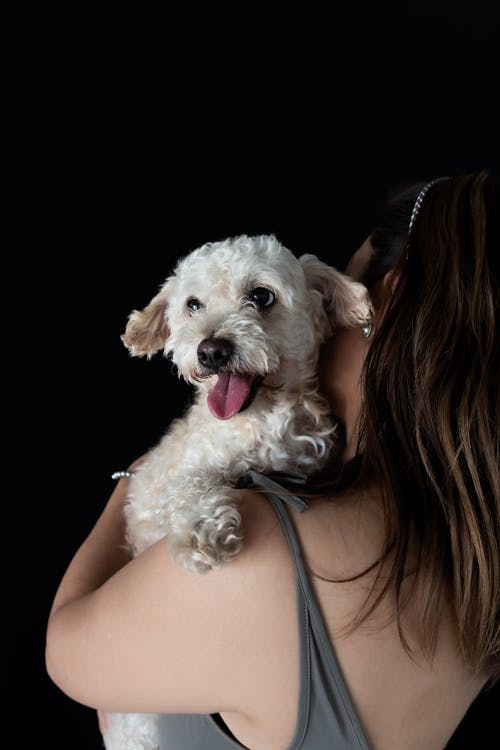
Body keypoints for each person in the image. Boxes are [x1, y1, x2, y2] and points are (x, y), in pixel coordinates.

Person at [45, 169, 499, 750]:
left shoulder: (252, 542)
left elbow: (67, 649)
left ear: (380, 304)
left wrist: (138, 471)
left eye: (346, 290)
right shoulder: (473, 569)